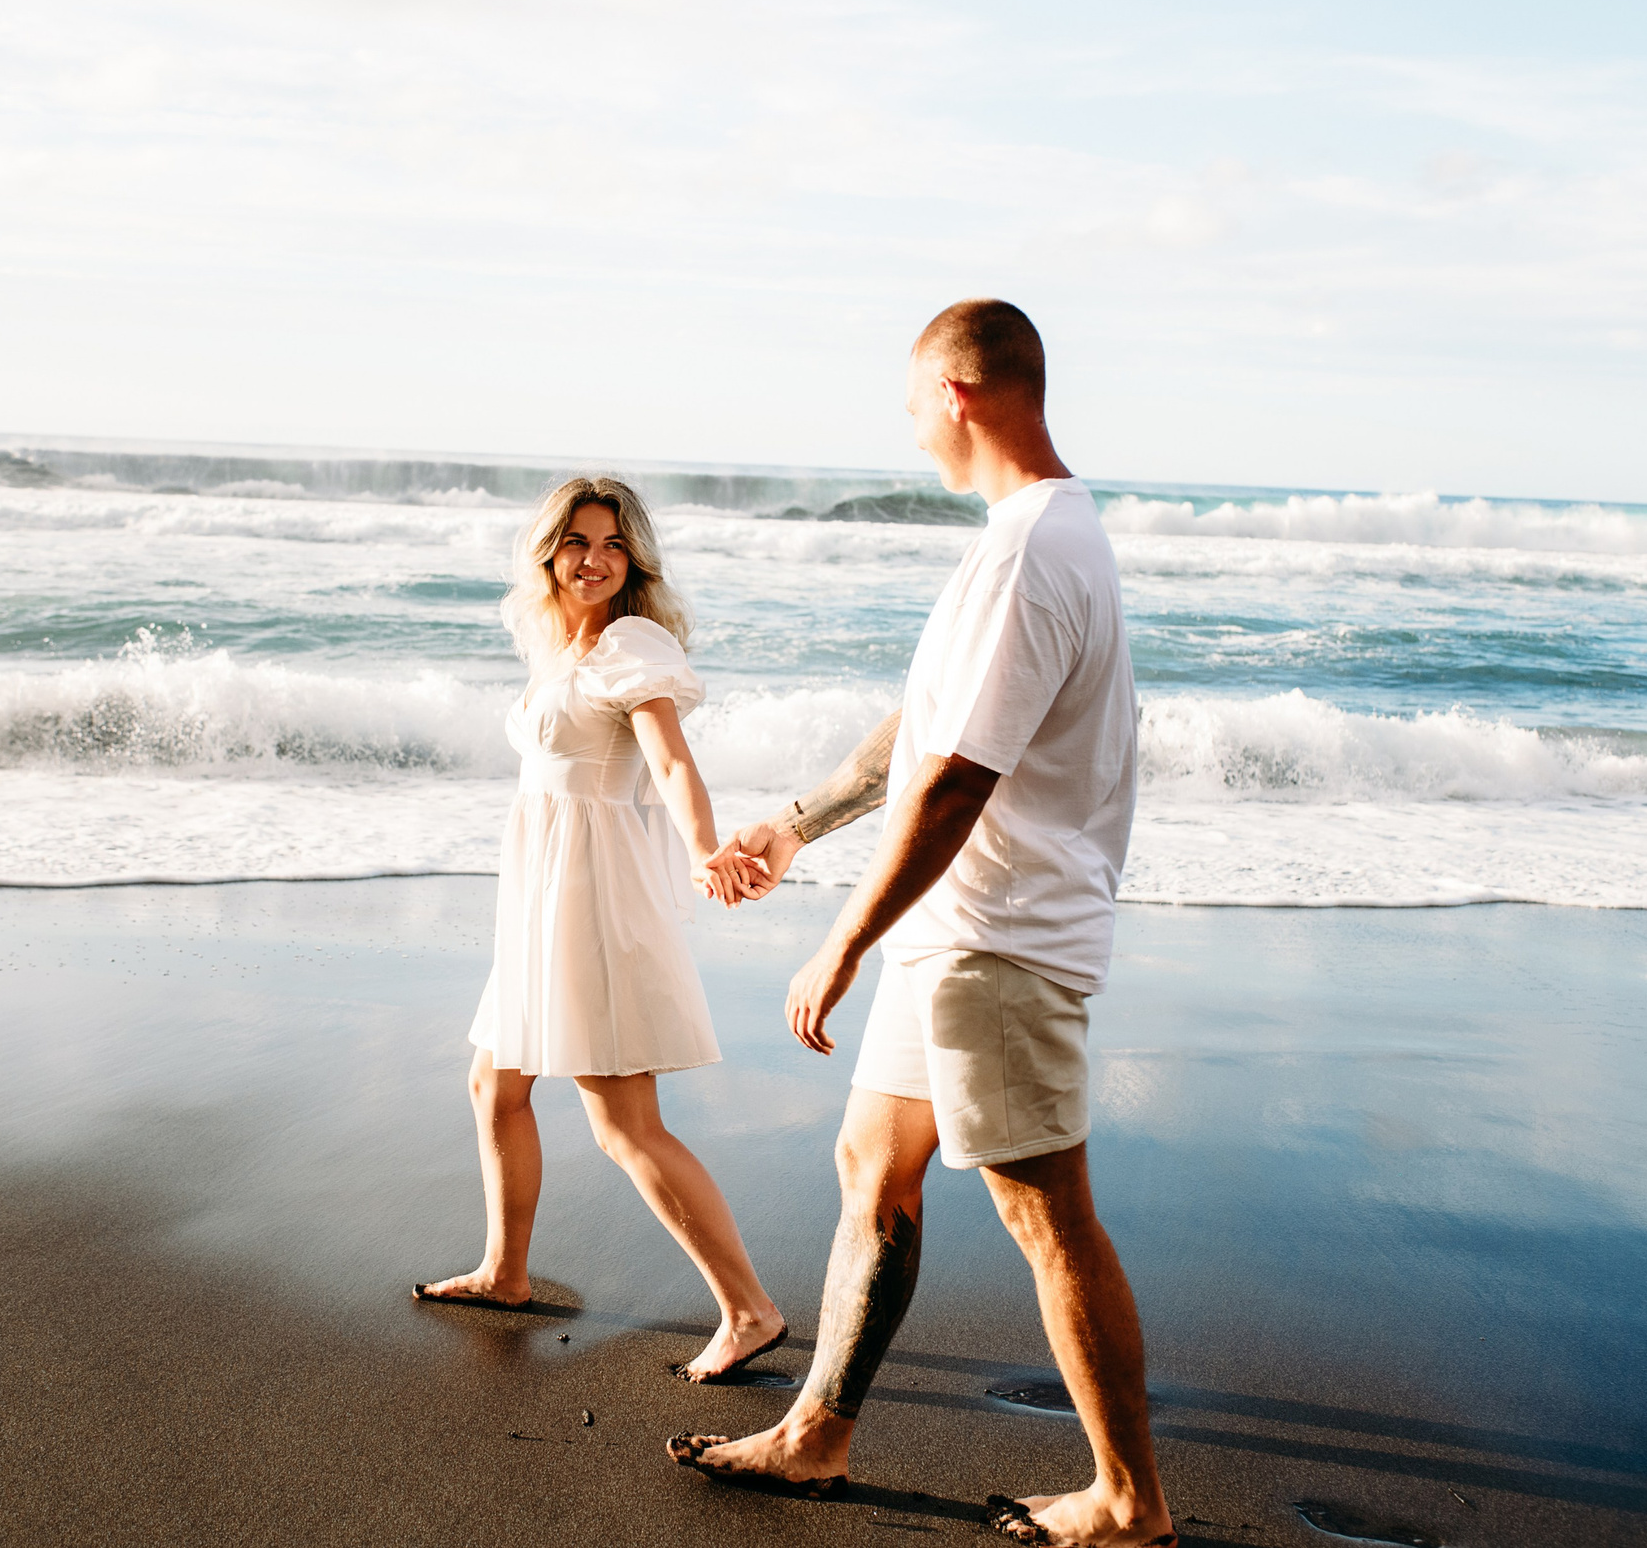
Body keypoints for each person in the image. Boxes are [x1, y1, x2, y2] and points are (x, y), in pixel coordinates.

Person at [667, 302, 1178, 1546]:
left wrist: (838, 942)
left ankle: (1129, 1502)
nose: (908, 437)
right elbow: (915, 735)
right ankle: (816, 1435)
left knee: (1043, 1210)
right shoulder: (1031, 539)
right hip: (949, 935)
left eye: (909, 410)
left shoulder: (1027, 554)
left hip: (995, 938)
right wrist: (791, 827)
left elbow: (959, 781)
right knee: (871, 1169)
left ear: (956, 393)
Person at [415, 476, 787, 1385]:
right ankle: (505, 1271)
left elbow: (668, 756)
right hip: (540, 898)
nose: (594, 559)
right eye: (577, 541)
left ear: (636, 559)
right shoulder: (562, 648)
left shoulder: (631, 641)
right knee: (493, 1081)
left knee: (625, 1123)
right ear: (549, 553)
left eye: (613, 544)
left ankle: (751, 1308)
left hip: (591, 899)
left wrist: (705, 846)